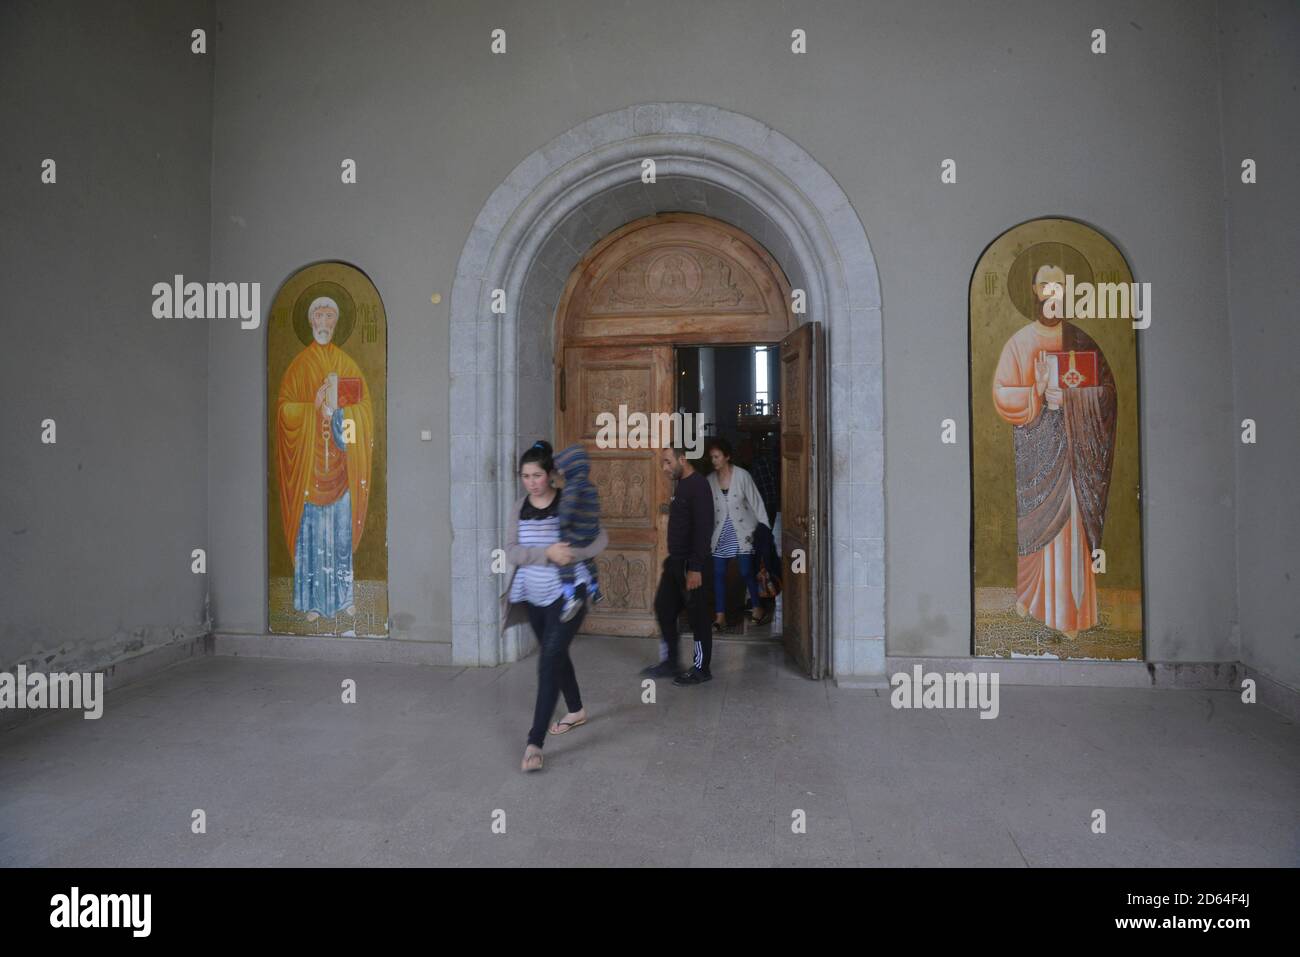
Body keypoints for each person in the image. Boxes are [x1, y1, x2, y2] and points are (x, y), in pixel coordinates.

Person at [500, 441, 609, 772]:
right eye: (525, 476)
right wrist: (546, 553)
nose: (531, 482)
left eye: (537, 475)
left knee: (547, 663)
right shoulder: (519, 507)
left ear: (550, 475)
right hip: (531, 595)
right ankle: (575, 709)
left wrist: (571, 554)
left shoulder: (569, 500)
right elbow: (511, 551)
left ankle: (534, 743)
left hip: (568, 593)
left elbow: (600, 539)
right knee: (556, 654)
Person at [641, 445, 715, 685]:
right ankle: (671, 662)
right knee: (663, 608)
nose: (664, 468)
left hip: (693, 565)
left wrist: (695, 567)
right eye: (663, 463)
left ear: (682, 459)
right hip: (675, 563)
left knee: (698, 618)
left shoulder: (699, 486)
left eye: (668, 462)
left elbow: (704, 530)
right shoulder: (681, 485)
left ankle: (701, 669)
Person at [706, 437, 771, 630]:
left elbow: (756, 503)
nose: (714, 461)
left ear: (727, 457)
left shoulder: (742, 476)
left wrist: (765, 531)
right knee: (718, 574)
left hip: (744, 532)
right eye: (711, 457)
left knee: (745, 571)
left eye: (717, 457)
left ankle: (758, 607)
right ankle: (720, 617)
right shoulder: (710, 480)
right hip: (720, 533)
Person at [551, 443, 603, 622]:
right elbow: (596, 511)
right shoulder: (590, 486)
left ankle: (570, 596)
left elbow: (566, 512)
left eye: (562, 468)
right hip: (589, 534)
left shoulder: (572, 487)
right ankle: (595, 589)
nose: (561, 472)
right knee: (588, 560)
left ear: (570, 467)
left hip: (574, 535)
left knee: (564, 561)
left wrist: (560, 523)